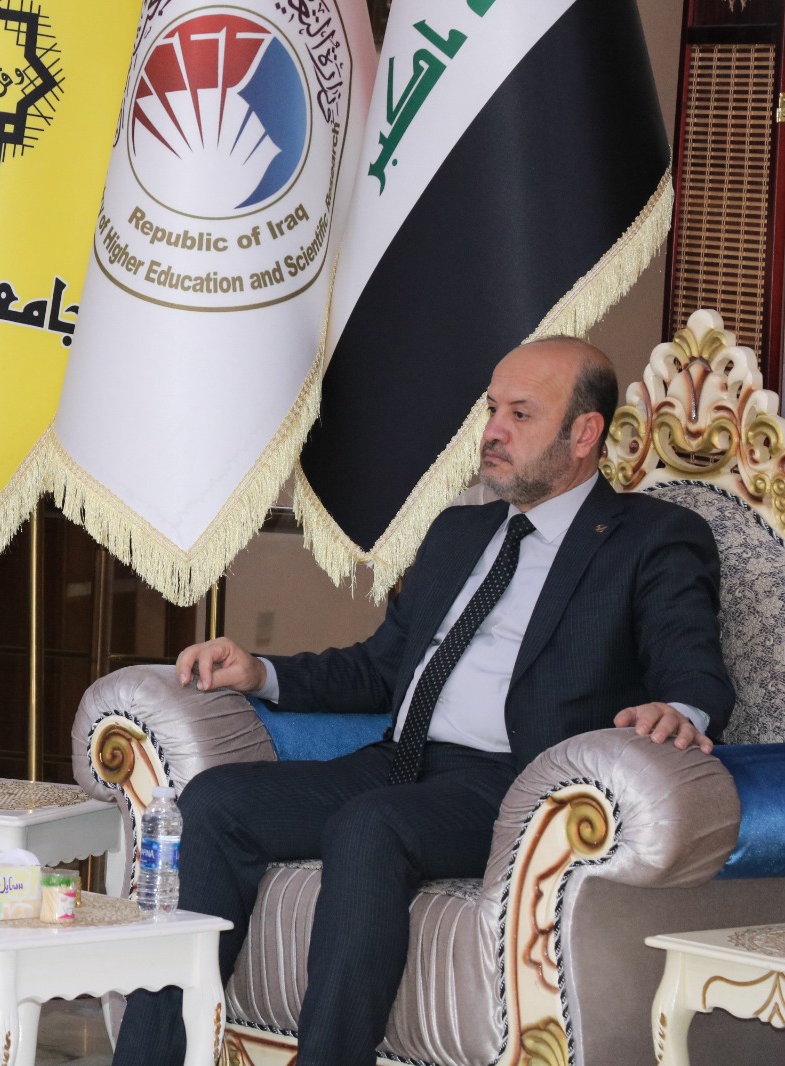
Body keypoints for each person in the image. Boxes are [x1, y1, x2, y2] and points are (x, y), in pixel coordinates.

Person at [111, 337, 734, 1066]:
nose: (492, 431)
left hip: (515, 784)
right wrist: (261, 673)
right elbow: (381, 669)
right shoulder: (459, 532)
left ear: (584, 433)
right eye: (492, 410)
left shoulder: (650, 538)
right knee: (215, 802)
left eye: (521, 414)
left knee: (371, 826)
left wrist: (679, 711)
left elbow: (695, 669)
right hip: (400, 762)